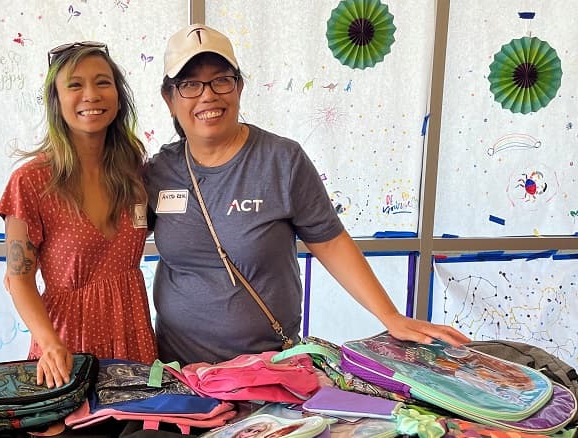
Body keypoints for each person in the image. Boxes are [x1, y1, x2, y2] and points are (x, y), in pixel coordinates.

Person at [144, 24, 470, 365]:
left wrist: (390, 317)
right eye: (190, 85)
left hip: (267, 373)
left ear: (238, 87)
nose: (207, 95)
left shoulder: (282, 160)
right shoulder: (159, 171)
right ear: (169, 99)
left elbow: (330, 242)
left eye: (221, 79)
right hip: (178, 373)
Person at [0, 41, 157, 388]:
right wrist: (51, 344)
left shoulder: (134, 173)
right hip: (65, 343)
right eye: (75, 84)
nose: (91, 94)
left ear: (118, 95)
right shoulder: (31, 181)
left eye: (102, 82)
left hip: (133, 333)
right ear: (56, 100)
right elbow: (18, 280)